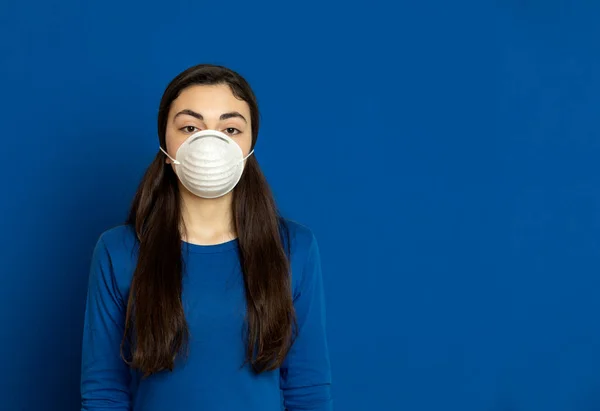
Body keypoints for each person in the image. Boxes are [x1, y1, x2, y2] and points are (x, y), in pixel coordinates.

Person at [80, 64, 332, 411]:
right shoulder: (118, 251)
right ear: (165, 144)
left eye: (230, 128)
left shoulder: (294, 248)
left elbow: (308, 390)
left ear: (250, 146)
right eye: (189, 127)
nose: (210, 143)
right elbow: (104, 393)